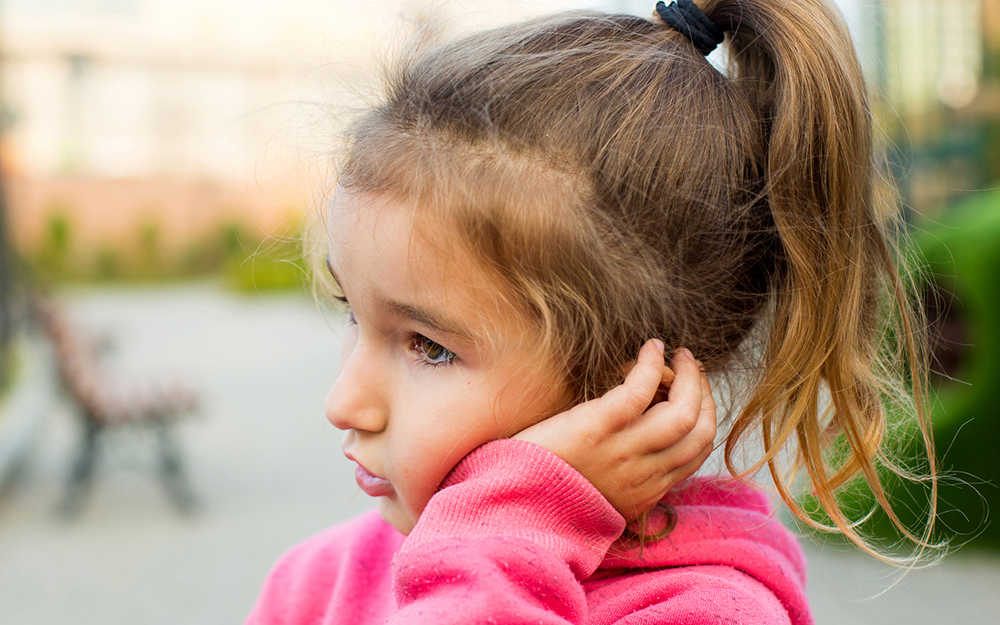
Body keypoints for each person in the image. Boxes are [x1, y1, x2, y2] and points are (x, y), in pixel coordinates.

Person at [247, 0, 940, 622]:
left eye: (429, 345)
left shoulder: (707, 609)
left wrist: (512, 523)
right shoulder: (323, 579)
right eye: (349, 309)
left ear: (639, 388)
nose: (344, 401)